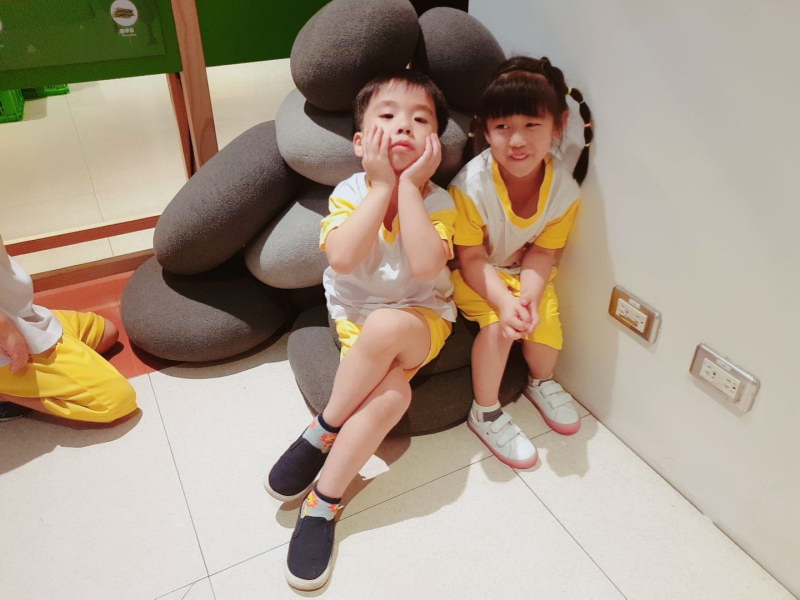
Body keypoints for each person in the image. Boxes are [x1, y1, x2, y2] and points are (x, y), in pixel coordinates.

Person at [264, 69, 456, 590]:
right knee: (391, 399)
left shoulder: (440, 201)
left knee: (390, 324)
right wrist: (382, 186)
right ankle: (322, 502)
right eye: (387, 116)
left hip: (422, 318)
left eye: (421, 120)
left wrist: (409, 188)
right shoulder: (349, 192)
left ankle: (323, 428)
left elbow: (425, 268)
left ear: (435, 143)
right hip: (357, 319)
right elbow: (344, 259)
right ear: (359, 142)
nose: (403, 127)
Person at [449, 56, 593, 468]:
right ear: (485, 130)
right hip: (475, 273)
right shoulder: (471, 187)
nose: (517, 141)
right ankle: (485, 412)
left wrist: (528, 297)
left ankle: (540, 382)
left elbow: (544, 252)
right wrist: (504, 303)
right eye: (503, 127)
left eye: (532, 125)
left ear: (558, 125)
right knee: (498, 328)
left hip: (525, 271)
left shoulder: (563, 190)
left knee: (546, 328)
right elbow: (470, 256)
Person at [0, 236, 138, 423]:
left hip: (25, 319)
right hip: (8, 348)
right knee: (117, 402)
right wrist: (5, 328)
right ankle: (5, 394)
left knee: (107, 332)